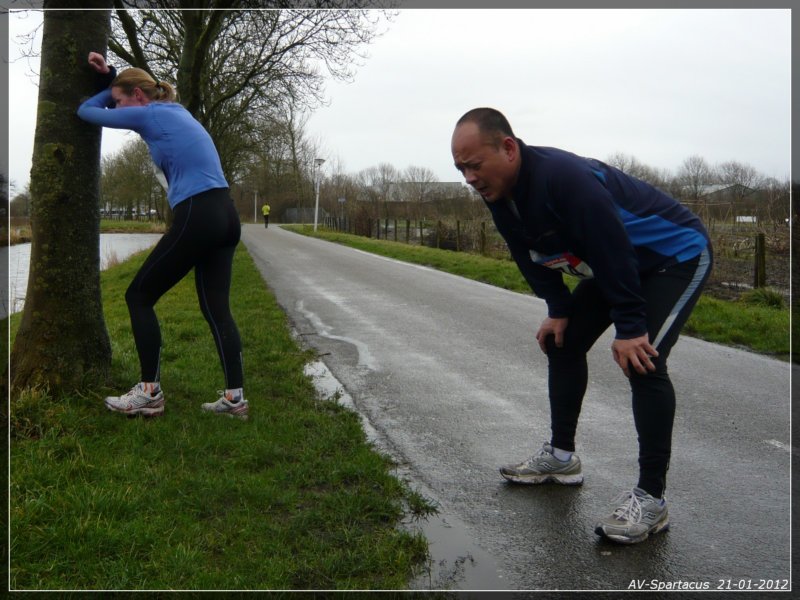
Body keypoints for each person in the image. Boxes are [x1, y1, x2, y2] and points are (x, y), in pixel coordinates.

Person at [451, 108, 712, 544]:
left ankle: (652, 499)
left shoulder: (563, 178)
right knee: (562, 342)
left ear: (509, 148)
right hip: (618, 264)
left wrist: (630, 328)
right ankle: (561, 457)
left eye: (475, 165)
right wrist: (557, 307)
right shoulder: (499, 195)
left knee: (642, 361)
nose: (469, 178)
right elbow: (527, 253)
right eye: (461, 169)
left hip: (674, 257)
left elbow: (611, 248)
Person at [78, 52, 248, 420]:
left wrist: (106, 89)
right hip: (226, 213)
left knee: (138, 295)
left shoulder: (149, 112)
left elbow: (86, 113)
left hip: (197, 213)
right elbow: (117, 99)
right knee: (216, 307)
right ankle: (235, 399)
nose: (117, 107)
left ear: (138, 95)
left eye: (120, 100)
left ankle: (149, 392)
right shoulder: (177, 111)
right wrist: (110, 77)